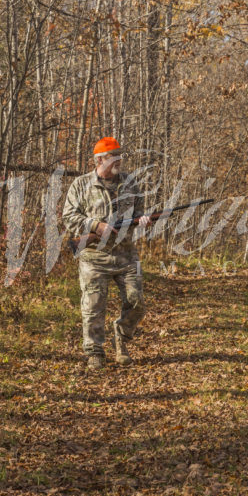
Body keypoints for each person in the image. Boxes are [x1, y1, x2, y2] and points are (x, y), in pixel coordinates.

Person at [62, 137, 151, 369]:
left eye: (120, 156)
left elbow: (139, 211)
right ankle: (95, 352)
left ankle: (121, 337)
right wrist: (95, 226)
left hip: (126, 254)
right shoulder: (81, 185)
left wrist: (142, 220)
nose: (119, 160)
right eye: (114, 157)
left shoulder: (130, 183)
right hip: (94, 257)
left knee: (137, 302)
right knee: (93, 307)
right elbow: (68, 217)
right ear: (100, 160)